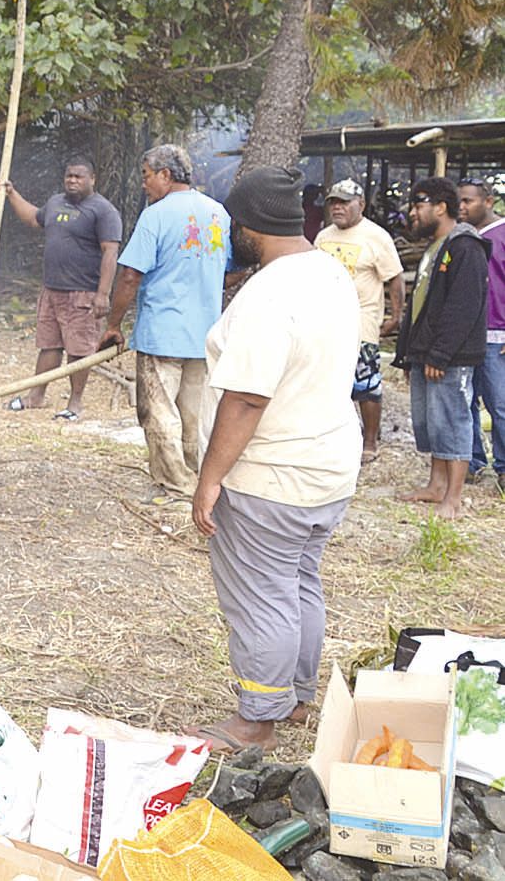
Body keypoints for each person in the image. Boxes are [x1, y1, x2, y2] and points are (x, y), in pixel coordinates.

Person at [186, 165, 360, 753]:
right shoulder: (328, 271)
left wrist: (210, 479)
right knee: (297, 582)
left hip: (273, 477)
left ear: (249, 225)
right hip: (328, 467)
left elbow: (247, 397)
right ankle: (297, 697)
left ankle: (256, 719)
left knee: (260, 595)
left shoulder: (270, 293)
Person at [99, 144, 229, 497]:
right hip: (205, 332)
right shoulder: (218, 213)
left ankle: (175, 484)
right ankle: (198, 478)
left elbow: (129, 275)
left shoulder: (155, 215)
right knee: (196, 412)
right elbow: (231, 269)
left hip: (163, 331)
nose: (144, 184)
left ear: (165, 175)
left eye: (146, 176)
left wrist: (113, 325)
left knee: (158, 412)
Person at [0, 156, 122, 421]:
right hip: (52, 290)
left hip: (83, 293)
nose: (73, 181)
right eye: (69, 176)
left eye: (79, 176)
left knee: (79, 351)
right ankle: (36, 396)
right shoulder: (55, 203)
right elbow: (33, 218)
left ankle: (75, 404)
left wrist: (103, 293)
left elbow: (110, 252)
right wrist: (11, 194)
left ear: (92, 179)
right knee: (49, 345)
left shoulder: (103, 210)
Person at [394, 176, 489, 520]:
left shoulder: (465, 247)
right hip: (426, 352)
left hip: (450, 357)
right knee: (431, 422)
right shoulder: (436, 247)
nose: (412, 213)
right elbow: (421, 307)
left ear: (440, 207)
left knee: (453, 419)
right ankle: (436, 486)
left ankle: (454, 497)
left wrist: (441, 354)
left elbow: (464, 307)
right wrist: (410, 354)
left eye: (419, 206)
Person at [314, 178, 406, 463]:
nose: (337, 208)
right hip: (327, 322)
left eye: (344, 202)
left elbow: (395, 278)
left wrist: (396, 315)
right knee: (329, 383)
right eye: (333, 203)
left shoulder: (375, 236)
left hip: (362, 322)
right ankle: (336, 437)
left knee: (366, 384)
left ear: (361, 204)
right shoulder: (323, 237)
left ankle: (370, 441)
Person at [457, 177, 505, 480]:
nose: (461, 207)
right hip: (465, 332)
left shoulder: (500, 234)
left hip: (495, 333)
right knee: (465, 400)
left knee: (499, 403)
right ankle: (472, 462)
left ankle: (503, 466)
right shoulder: (463, 236)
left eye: (468, 201)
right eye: (458, 201)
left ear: (487, 202)